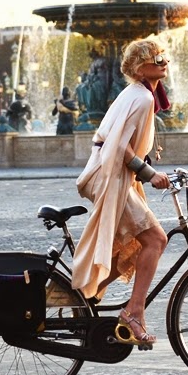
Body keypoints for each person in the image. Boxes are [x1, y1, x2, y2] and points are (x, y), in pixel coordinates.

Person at [72, 39, 171, 349]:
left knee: (130, 247)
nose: (163, 61)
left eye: (164, 56)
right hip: (109, 174)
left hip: (110, 172)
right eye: (157, 58)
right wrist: (148, 173)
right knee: (155, 240)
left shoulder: (139, 94)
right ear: (140, 67)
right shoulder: (141, 97)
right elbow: (118, 145)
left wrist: (146, 167)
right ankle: (133, 312)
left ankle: (82, 297)